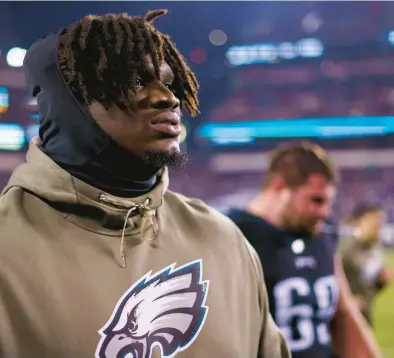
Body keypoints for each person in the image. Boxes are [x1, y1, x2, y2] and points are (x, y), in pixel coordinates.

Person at [0, 10, 290, 358]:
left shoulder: (224, 241)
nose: (168, 97)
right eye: (134, 80)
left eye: (167, 81)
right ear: (69, 103)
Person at [226, 141, 382, 358]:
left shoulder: (320, 236)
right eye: (316, 200)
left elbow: (344, 313)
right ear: (279, 187)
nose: (323, 212)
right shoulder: (231, 234)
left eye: (327, 202)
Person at [339, 204, 393, 325]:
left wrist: (380, 282)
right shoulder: (345, 249)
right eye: (373, 222)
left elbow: (367, 284)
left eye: (380, 222)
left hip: (366, 312)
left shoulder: (376, 247)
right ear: (358, 223)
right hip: (346, 317)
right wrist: (346, 301)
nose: (378, 226)